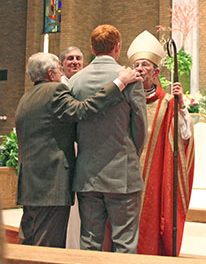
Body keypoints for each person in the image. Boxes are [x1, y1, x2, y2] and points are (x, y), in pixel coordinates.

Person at [15, 52, 139, 248]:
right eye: (59, 68)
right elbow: (82, 109)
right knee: (47, 246)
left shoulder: (26, 97)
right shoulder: (54, 91)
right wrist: (119, 83)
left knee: (28, 241)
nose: (62, 72)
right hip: (51, 185)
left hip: (31, 183)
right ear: (50, 73)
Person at [68, 24, 147, 253]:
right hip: (122, 171)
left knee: (90, 240)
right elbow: (140, 126)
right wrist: (131, 155)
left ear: (92, 48)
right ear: (117, 47)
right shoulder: (130, 79)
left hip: (87, 173)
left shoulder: (75, 82)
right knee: (125, 242)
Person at [126, 30, 195, 256]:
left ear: (155, 72)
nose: (139, 68)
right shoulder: (122, 99)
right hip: (123, 174)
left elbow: (184, 137)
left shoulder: (166, 102)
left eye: (144, 65)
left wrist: (181, 105)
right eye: (136, 64)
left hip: (152, 177)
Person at [59, 47, 84, 249]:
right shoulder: (60, 87)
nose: (74, 62)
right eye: (70, 59)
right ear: (62, 64)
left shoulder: (86, 84)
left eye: (78, 58)